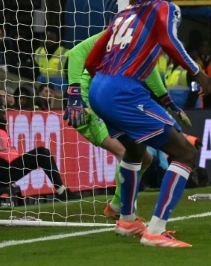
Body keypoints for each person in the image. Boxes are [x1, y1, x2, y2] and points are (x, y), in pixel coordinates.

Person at [83, 0, 211, 248]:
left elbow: (92, 59)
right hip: (123, 91)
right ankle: (156, 230)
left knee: (135, 149)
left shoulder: (122, 15)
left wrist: (103, 88)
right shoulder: (164, 7)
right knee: (186, 153)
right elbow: (169, 41)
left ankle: (127, 219)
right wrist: (196, 71)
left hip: (100, 88)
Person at [64, 28, 191, 221]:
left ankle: (117, 205)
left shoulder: (142, 42)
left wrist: (168, 102)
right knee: (127, 153)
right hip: (87, 100)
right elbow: (76, 52)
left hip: (112, 100)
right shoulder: (118, 32)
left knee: (144, 158)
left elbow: (150, 72)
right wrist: (74, 95)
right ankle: (126, 212)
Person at [0, 94, 69, 202]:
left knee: (43, 153)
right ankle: (61, 191)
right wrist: (1, 167)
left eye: (3, 112)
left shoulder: (0, 128)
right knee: (41, 153)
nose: (2, 115)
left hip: (8, 168)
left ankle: (61, 190)